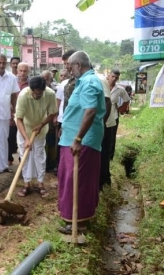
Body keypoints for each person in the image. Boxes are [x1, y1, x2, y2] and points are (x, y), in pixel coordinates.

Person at [58, 51, 106, 234]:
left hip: (82, 141)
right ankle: (75, 218)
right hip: (73, 138)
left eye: (71, 67)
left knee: (77, 180)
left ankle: (79, 222)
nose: (69, 71)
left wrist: (78, 138)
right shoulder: (84, 81)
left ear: (78, 65)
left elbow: (90, 111)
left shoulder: (89, 82)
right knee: (70, 178)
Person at [16, 76, 57, 197]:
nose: (36, 96)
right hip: (24, 127)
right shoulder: (23, 95)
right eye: (34, 94)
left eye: (39, 95)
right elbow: (19, 119)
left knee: (39, 155)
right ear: (31, 89)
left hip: (41, 126)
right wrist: (27, 139)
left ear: (43, 90)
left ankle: (40, 184)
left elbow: (53, 113)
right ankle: (26, 184)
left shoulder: (50, 94)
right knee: (25, 155)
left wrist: (41, 125)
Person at [106, 69, 130, 160]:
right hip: (103, 115)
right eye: (112, 76)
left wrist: (120, 108)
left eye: (116, 77)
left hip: (114, 115)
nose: (114, 79)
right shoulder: (102, 86)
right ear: (109, 75)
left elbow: (126, 100)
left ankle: (110, 156)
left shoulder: (120, 89)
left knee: (112, 136)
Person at [41, 70, 57, 172]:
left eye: (46, 79)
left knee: (51, 142)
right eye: (43, 79)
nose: (44, 81)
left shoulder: (54, 91)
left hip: (50, 121)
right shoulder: (37, 89)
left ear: (51, 80)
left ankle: (50, 164)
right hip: (40, 120)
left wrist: (54, 117)